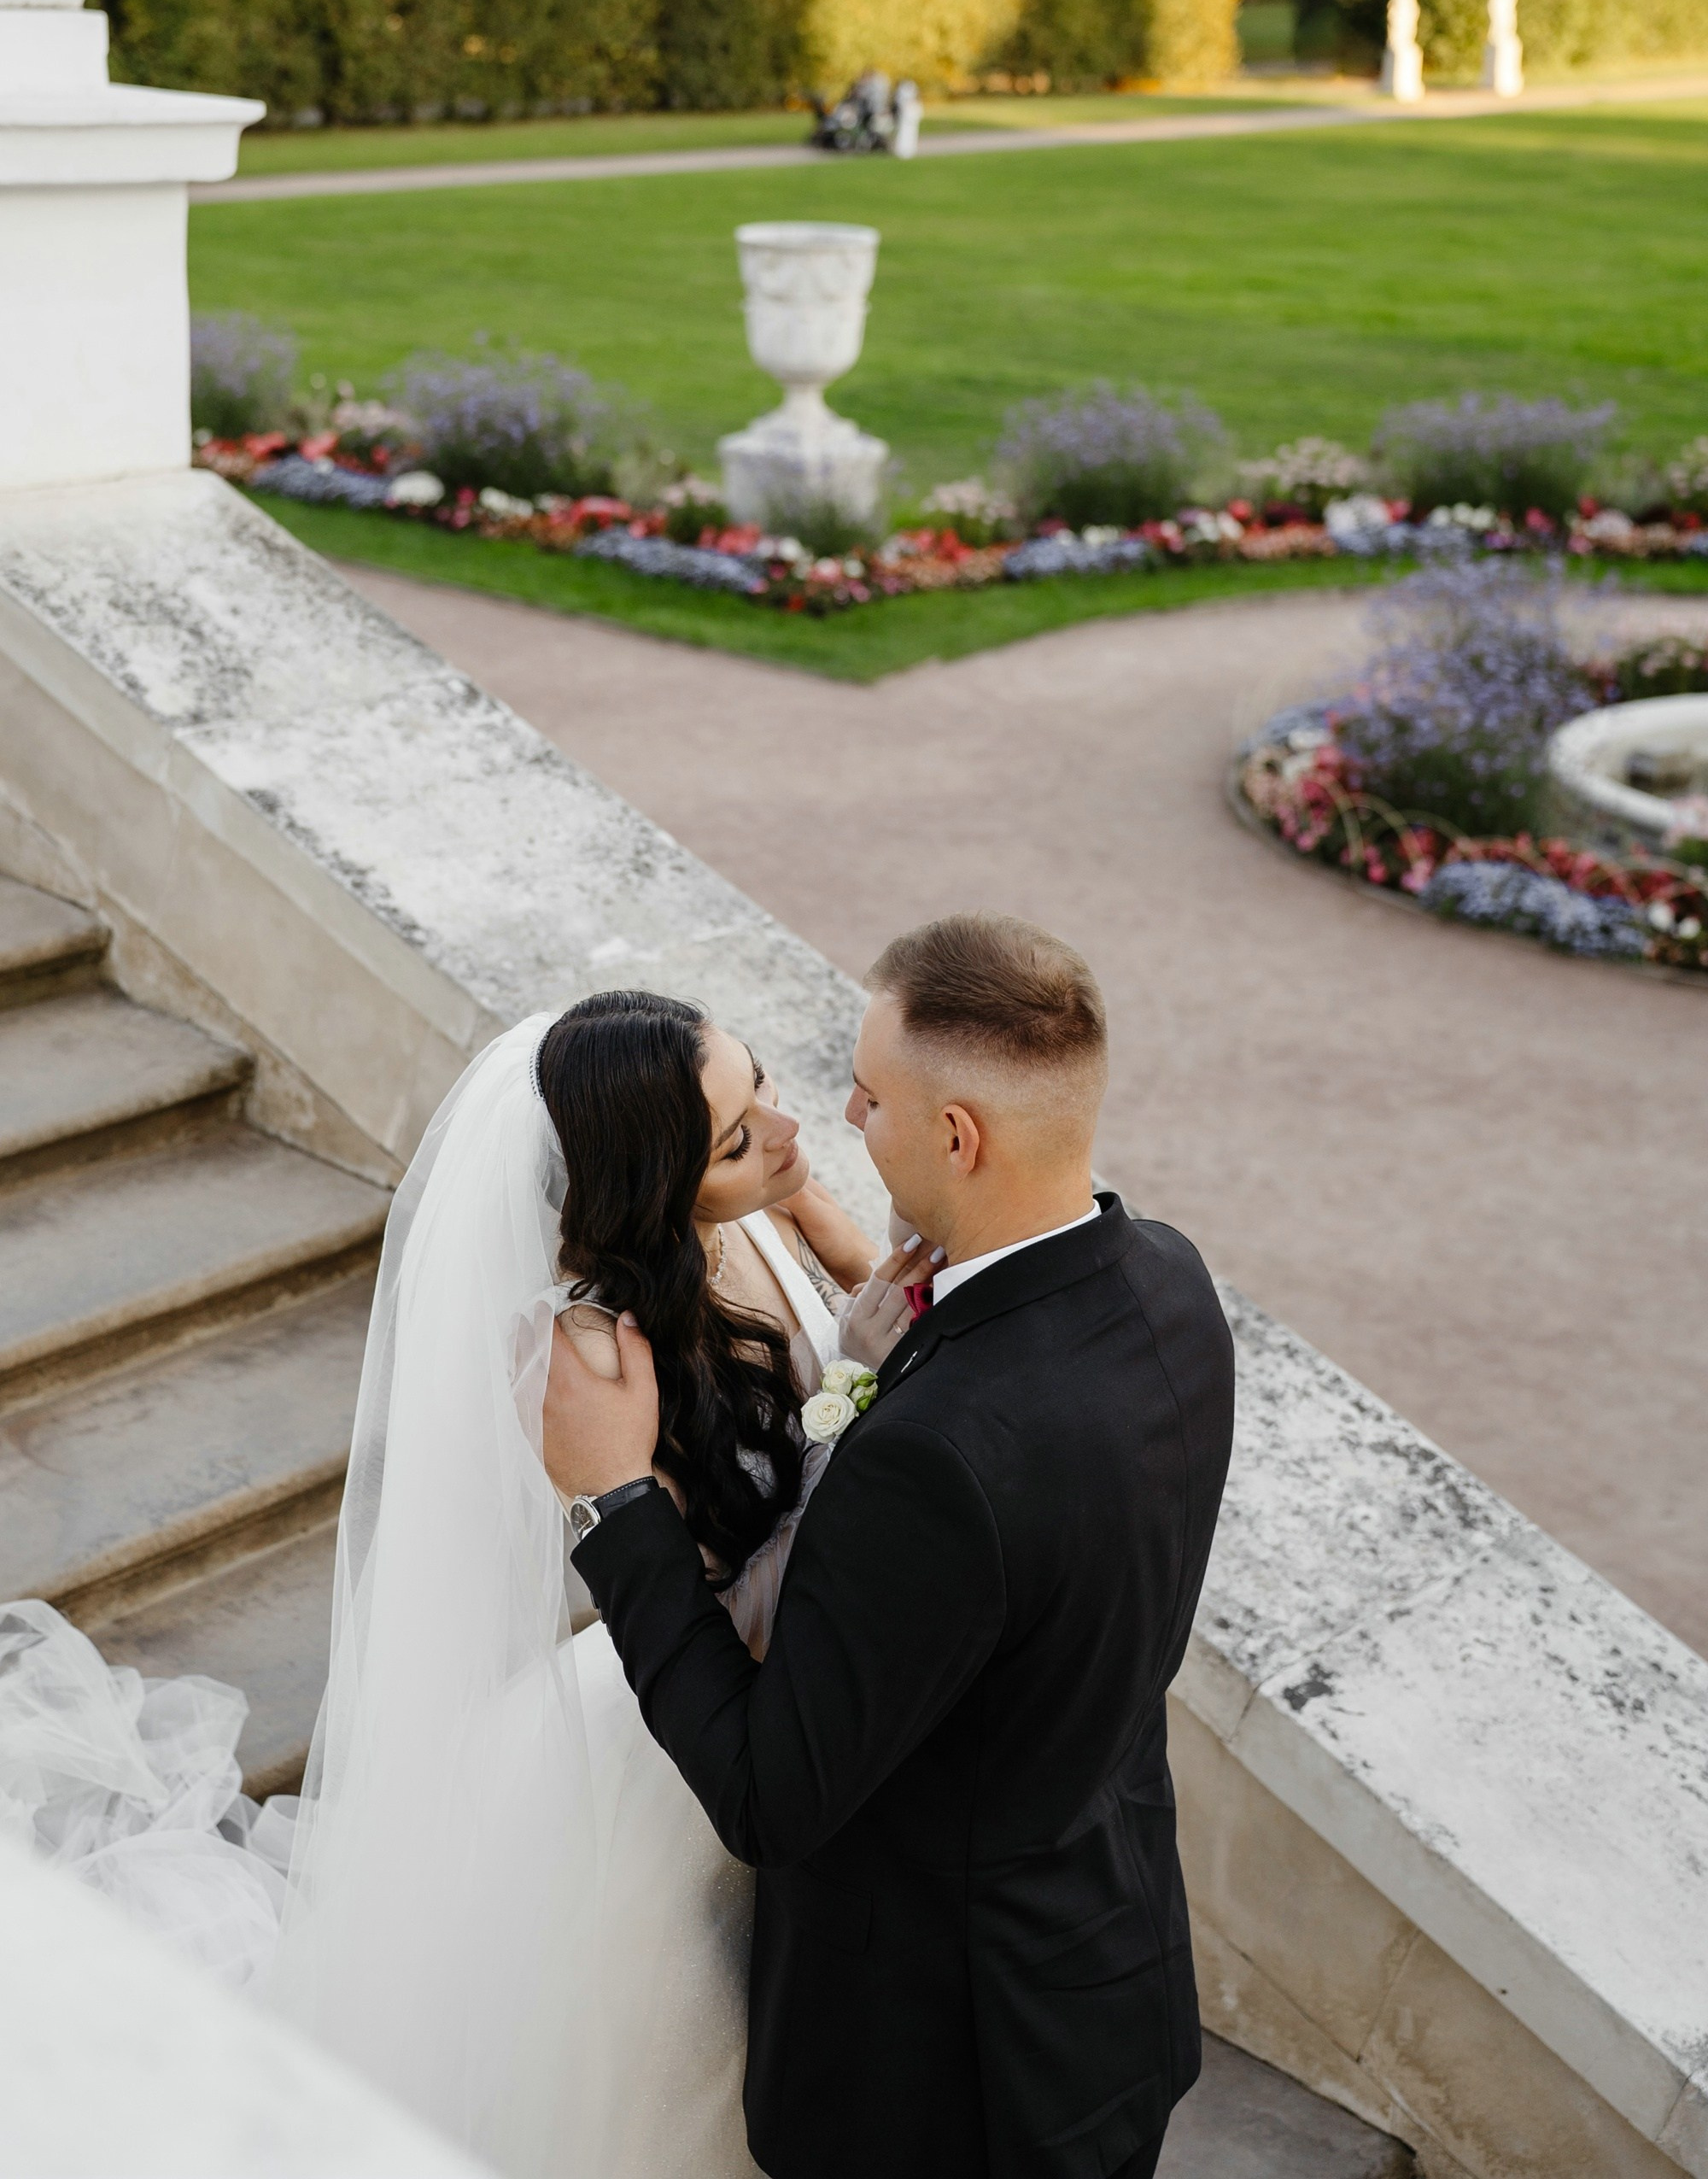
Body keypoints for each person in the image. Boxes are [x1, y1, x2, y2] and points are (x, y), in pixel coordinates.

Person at [0, 990, 926, 2179]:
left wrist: (847, 1257)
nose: (793, 1137)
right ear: (650, 1195)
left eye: (762, 1090)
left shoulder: (765, 1209)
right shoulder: (595, 1357)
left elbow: (843, 1325)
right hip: (696, 1708)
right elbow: (684, 1573)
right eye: (741, 1139)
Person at [546, 913, 1237, 2179]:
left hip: (945, 2080)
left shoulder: (937, 1461)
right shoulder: (1170, 1285)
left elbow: (767, 1797)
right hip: (1108, 1970)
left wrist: (611, 1503)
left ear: (957, 1137)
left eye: (867, 1099)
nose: (838, 1123)